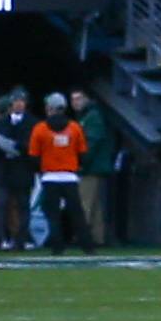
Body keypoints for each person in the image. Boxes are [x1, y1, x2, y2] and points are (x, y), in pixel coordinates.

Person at [28, 92, 93, 254]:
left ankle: (57, 247)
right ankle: (87, 247)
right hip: (70, 176)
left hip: (49, 176)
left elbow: (34, 156)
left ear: (49, 108)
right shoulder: (74, 128)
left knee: (53, 215)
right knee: (77, 214)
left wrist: (42, 169)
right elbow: (83, 153)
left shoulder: (40, 129)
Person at [0, 89, 37, 250]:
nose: (18, 104)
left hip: (22, 170)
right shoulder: (2, 122)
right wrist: (2, 146)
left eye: (21, 101)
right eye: (16, 101)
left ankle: (21, 240)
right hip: (4, 170)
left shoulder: (32, 122)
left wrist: (16, 147)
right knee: (0, 205)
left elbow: (33, 146)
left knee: (23, 206)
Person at [70, 89, 114, 245]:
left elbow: (91, 143)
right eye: (73, 99)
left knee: (85, 203)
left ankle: (83, 236)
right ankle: (97, 237)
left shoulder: (92, 117)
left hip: (92, 167)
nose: (76, 102)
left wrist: (81, 162)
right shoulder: (88, 116)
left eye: (79, 98)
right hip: (95, 166)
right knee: (95, 205)